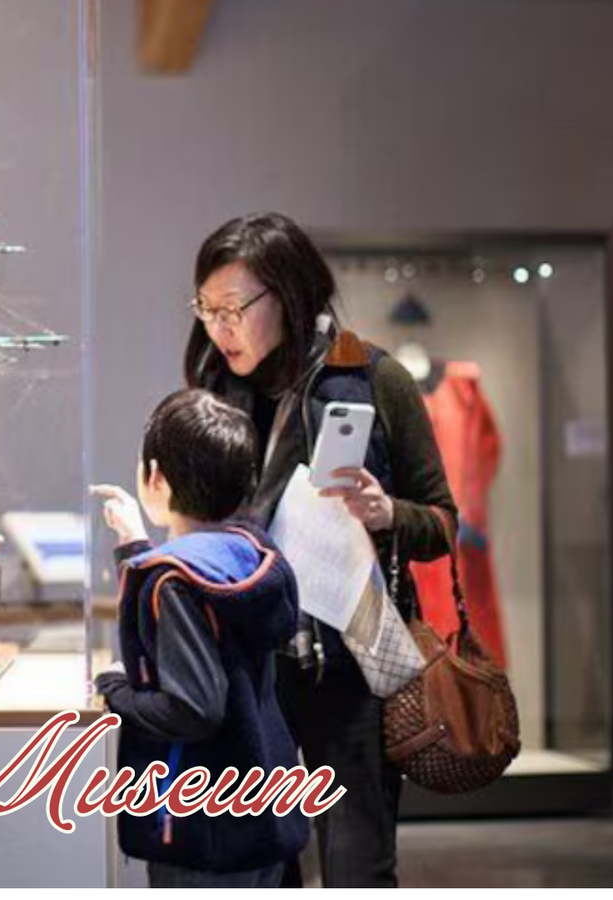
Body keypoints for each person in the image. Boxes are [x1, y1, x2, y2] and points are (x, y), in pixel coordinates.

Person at [180, 212, 458, 887]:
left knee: (357, 866)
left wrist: (385, 511)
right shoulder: (215, 394)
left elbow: (443, 521)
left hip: (348, 671)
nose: (219, 327)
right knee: (259, 867)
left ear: (290, 294)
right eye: (206, 308)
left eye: (234, 308)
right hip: (249, 671)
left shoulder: (373, 379)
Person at [91, 388, 307, 889]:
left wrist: (118, 693)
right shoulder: (252, 554)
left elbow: (194, 708)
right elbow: (198, 596)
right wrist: (135, 546)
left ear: (156, 478)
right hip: (260, 813)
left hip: (202, 829)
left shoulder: (173, 582)